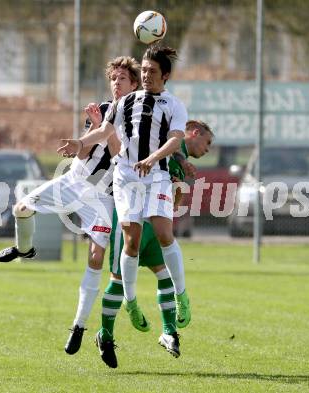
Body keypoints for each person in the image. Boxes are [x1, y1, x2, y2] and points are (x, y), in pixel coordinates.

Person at [0, 56, 141, 354]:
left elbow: (121, 158)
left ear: (135, 84)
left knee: (96, 259)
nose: (116, 83)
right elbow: (84, 155)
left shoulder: (139, 119)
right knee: (21, 208)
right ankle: (24, 249)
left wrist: (105, 130)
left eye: (122, 79)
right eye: (113, 78)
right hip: (74, 181)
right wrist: (93, 130)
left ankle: (78, 326)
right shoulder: (101, 109)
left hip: (102, 197)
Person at [58, 44, 193, 360]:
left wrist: (153, 157)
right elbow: (104, 131)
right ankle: (131, 302)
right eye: (143, 70)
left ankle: (182, 295)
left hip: (156, 175)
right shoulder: (125, 102)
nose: (146, 75)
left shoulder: (174, 105)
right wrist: (81, 141)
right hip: (125, 179)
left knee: (163, 233)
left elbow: (175, 140)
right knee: (130, 242)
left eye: (152, 71)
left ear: (166, 76)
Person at [97, 120, 213, 368]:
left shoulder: (179, 155)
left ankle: (169, 333)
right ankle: (105, 335)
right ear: (195, 132)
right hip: (131, 217)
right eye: (208, 142)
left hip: (155, 223)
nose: (208, 149)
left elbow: (173, 192)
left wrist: (178, 187)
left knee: (166, 276)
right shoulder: (166, 141)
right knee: (117, 281)